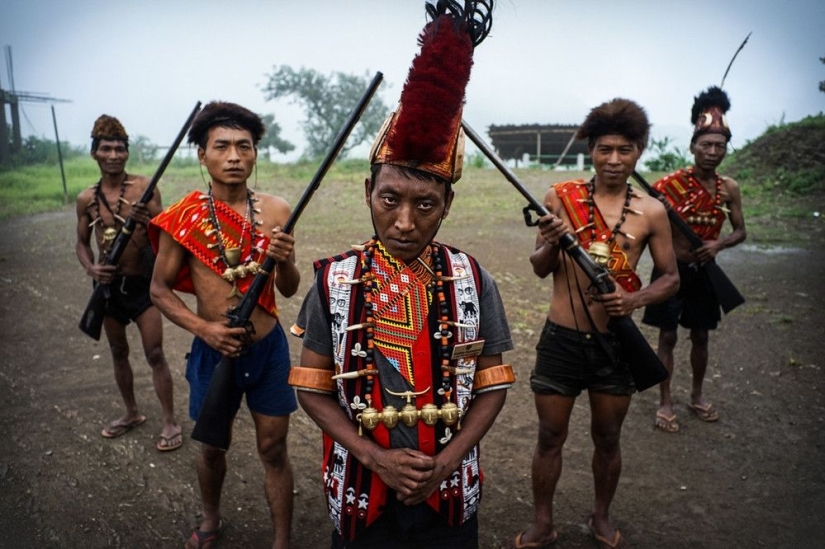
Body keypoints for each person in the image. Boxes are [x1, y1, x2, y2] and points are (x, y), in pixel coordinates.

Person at [288, 3, 514, 548]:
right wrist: (375, 456)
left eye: (426, 204)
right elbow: (313, 390)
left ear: (448, 203)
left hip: (450, 489)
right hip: (363, 490)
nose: (406, 222)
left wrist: (446, 461)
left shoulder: (472, 279)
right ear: (368, 192)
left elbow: (491, 385)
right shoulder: (335, 282)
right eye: (389, 199)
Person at [510, 99, 680, 549]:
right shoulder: (559, 198)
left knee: (608, 437)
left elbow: (671, 277)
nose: (614, 160)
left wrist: (634, 298)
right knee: (549, 435)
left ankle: (600, 517)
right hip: (561, 340)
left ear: (639, 151)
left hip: (614, 345)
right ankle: (543, 522)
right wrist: (549, 243)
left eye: (624, 150)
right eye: (605, 150)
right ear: (592, 151)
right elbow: (539, 267)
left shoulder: (652, 212)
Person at [148, 101, 300, 549]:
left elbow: (289, 289)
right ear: (202, 155)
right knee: (213, 447)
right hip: (212, 350)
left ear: (255, 154)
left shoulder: (276, 210)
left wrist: (285, 259)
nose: (234, 156)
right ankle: (211, 519)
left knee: (273, 448)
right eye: (222, 146)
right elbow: (158, 290)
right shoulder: (184, 217)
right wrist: (204, 329)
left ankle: (281, 540)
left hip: (268, 347)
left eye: (244, 146)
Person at [643, 86, 747, 433]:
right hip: (671, 271)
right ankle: (665, 401)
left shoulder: (728, 188)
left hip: (705, 272)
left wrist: (717, 246)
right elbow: (646, 226)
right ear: (693, 147)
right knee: (667, 337)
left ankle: (697, 395)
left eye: (719, 146)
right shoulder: (667, 185)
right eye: (706, 145)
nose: (713, 151)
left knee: (701, 336)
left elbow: (740, 232)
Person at [75, 114, 182, 452]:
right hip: (107, 290)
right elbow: (80, 242)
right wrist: (93, 269)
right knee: (118, 352)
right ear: (94, 153)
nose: (114, 154)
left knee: (154, 353)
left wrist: (147, 218)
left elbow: (166, 234)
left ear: (127, 153)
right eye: (106, 148)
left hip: (143, 287)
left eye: (120, 148)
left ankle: (170, 421)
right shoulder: (85, 199)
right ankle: (132, 413)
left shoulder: (144, 187)